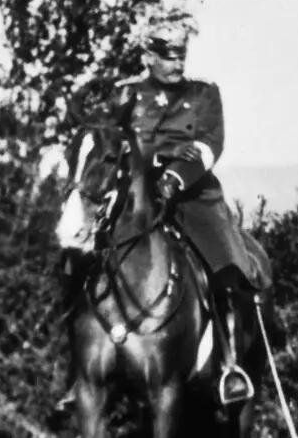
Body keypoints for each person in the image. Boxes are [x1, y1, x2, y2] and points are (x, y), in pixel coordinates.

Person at [61, 30, 268, 407]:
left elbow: (208, 144)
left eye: (180, 56)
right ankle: (78, 370)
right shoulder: (126, 93)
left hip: (194, 196)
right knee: (80, 258)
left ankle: (230, 366)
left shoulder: (203, 94)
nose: (177, 64)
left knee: (228, 267)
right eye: (168, 56)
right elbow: (109, 140)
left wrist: (174, 176)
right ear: (148, 57)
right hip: (134, 195)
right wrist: (157, 159)